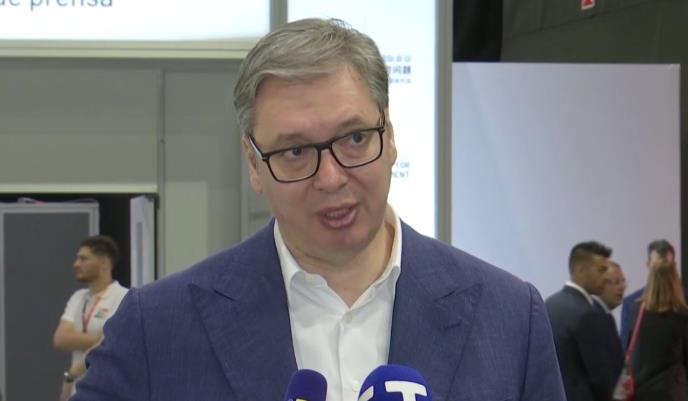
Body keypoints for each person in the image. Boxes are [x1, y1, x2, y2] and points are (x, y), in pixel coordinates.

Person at [72, 18, 565, 401]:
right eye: (295, 151)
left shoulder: (508, 319)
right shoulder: (157, 328)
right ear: (254, 164)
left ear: (390, 136)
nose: (331, 178)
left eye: (355, 139)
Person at [52, 235, 128, 401]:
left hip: (107, 391)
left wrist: (106, 341)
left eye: (84, 259)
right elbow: (61, 339)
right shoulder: (78, 297)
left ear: (104, 262)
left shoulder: (123, 297)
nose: (76, 264)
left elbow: (119, 344)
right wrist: (101, 340)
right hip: (76, 391)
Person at [546, 241, 623, 401]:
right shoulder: (587, 313)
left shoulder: (549, 304)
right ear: (580, 271)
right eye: (601, 270)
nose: (606, 277)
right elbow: (599, 377)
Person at [626, 259, 688, 401]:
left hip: (641, 391)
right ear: (675, 282)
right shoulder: (682, 315)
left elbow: (629, 346)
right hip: (672, 391)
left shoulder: (636, 310)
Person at [620, 239, 675, 349]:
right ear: (648, 265)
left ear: (674, 266)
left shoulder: (684, 300)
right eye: (658, 266)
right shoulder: (631, 303)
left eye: (666, 265)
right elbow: (625, 347)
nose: (662, 271)